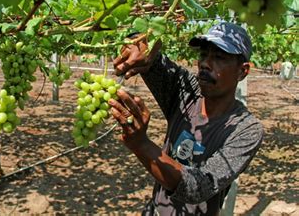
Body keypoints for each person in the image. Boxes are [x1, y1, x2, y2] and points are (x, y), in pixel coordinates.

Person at [108, 22, 263, 215]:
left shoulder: (246, 129)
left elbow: (199, 186)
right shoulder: (187, 92)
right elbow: (152, 60)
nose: (205, 63)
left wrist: (141, 144)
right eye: (203, 55)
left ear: (242, 71)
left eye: (219, 57)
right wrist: (138, 42)